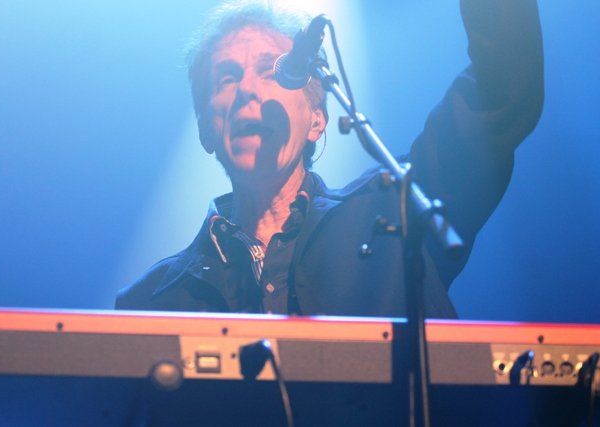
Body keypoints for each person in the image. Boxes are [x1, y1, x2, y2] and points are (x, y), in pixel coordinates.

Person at [116, 0, 543, 318]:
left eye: (270, 70)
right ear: (205, 130)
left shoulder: (396, 212)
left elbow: (502, 91)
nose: (247, 90)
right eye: (226, 78)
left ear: (317, 118)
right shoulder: (150, 304)